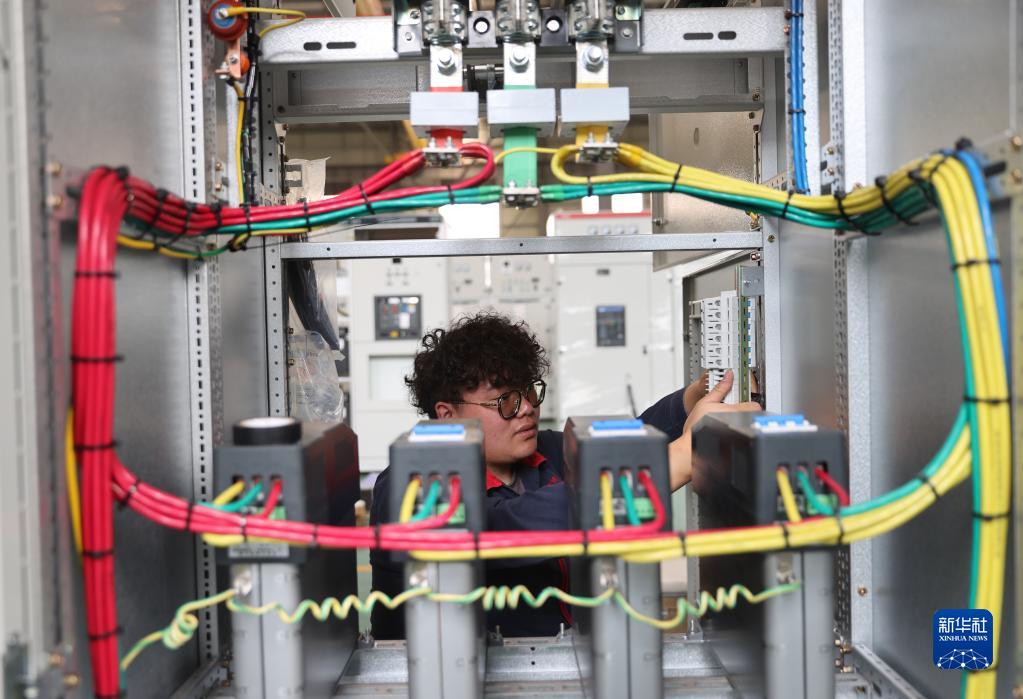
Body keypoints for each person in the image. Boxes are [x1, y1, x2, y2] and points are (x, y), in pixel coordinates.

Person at [369, 312, 757, 639]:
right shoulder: (408, 489)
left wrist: (690, 401)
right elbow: (508, 526)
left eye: (528, 391)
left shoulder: (545, 453)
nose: (526, 409)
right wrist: (684, 455)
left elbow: (625, 441)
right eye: (505, 400)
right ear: (447, 414)